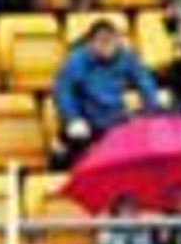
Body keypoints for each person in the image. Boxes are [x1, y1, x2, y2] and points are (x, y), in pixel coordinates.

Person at [52, 19, 159, 163]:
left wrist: (150, 108)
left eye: (111, 41)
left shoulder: (126, 57)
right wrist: (73, 118)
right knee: (66, 149)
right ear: (91, 43)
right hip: (85, 121)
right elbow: (63, 90)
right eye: (101, 41)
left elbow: (144, 81)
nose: (107, 46)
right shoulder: (76, 60)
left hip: (114, 119)